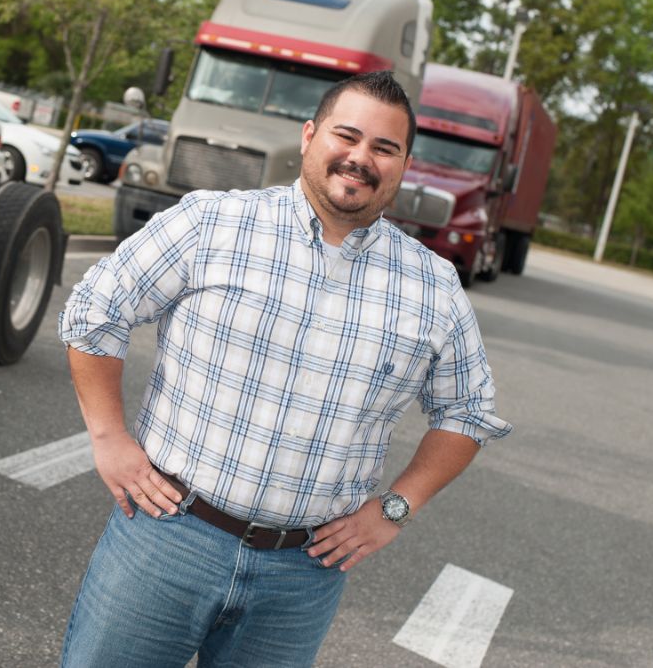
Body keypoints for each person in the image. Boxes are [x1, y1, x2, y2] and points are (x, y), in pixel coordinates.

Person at [57, 70, 511, 667]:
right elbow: (96, 309)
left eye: (384, 147)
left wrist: (394, 508)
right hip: (167, 538)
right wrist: (109, 437)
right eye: (346, 136)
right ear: (309, 136)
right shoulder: (211, 222)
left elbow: (469, 412)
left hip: (302, 577)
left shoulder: (433, 286)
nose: (360, 158)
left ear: (404, 164)